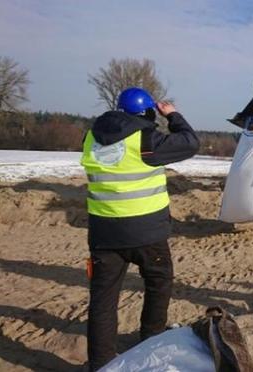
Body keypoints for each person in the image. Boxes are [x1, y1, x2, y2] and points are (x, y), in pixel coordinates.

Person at [81, 87, 200, 370]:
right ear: (148, 112)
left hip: (104, 234)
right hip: (147, 234)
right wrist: (173, 115)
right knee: (159, 282)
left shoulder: (91, 138)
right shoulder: (146, 140)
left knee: (103, 298)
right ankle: (151, 338)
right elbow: (191, 142)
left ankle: (100, 362)